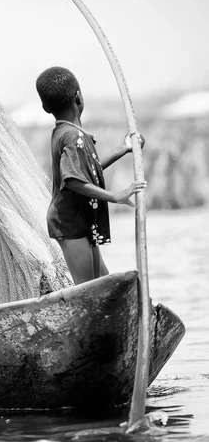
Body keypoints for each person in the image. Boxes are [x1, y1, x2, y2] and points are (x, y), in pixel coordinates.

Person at [36, 66, 147, 285]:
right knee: (88, 287)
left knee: (102, 281)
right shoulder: (72, 136)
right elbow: (73, 181)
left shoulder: (67, 132)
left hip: (79, 219)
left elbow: (87, 172)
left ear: (45, 107)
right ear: (79, 96)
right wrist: (116, 196)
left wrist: (123, 148)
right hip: (69, 222)